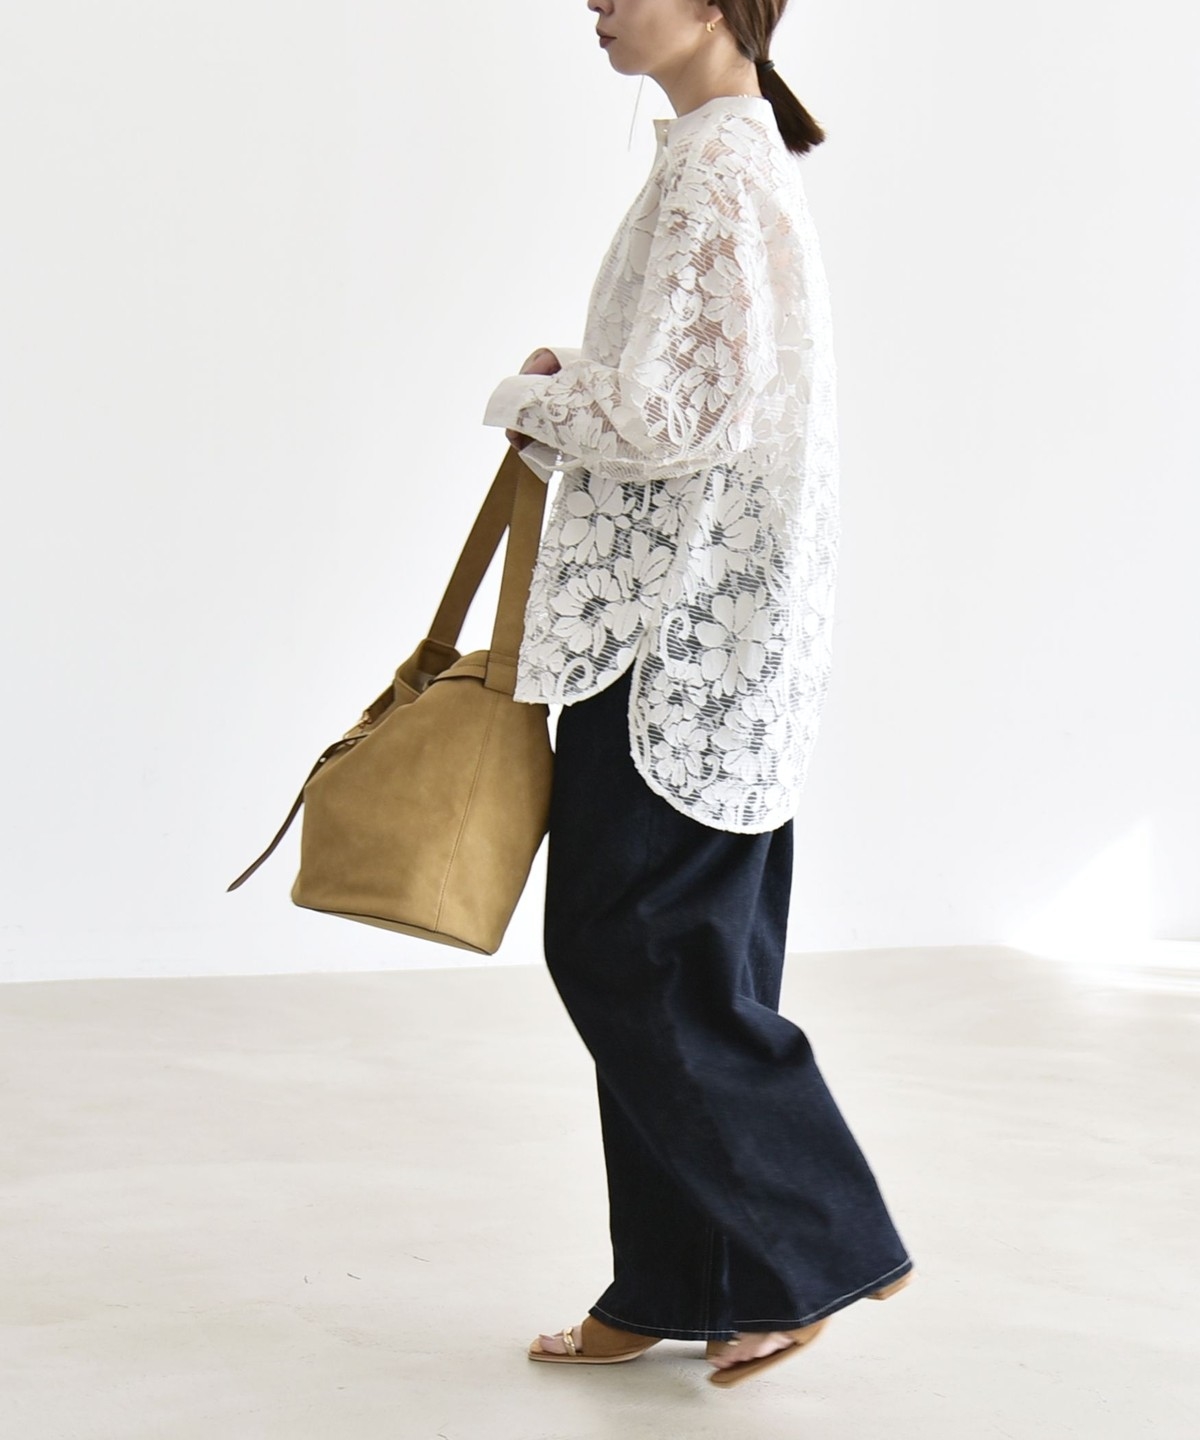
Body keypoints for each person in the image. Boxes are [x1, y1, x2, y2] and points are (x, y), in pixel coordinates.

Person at [480, 0, 914, 1390]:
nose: (595, 3)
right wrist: (583, 381)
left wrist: (528, 398)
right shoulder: (719, 153)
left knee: (634, 955)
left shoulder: (721, 164)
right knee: (682, 958)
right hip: (706, 638)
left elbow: (674, 419)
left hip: (677, 648)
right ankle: (678, 1281)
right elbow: (699, 398)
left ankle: (820, 1247)